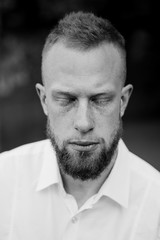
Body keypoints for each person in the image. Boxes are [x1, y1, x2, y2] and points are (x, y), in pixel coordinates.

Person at [0, 11, 160, 240]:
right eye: (66, 99)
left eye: (100, 99)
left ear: (123, 101)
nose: (83, 123)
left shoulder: (156, 208)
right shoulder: (4, 181)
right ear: (44, 100)